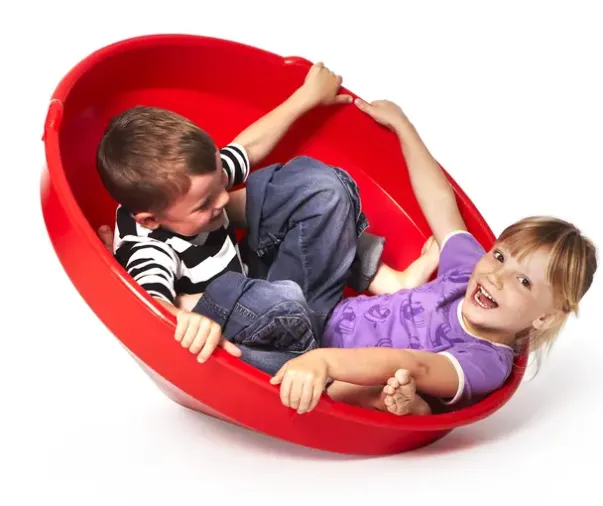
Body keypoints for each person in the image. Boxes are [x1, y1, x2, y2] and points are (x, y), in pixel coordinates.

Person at [95, 62, 440, 376]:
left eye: (220, 182)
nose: (222, 198)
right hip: (251, 334)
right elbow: (149, 303)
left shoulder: (193, 182)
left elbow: (247, 148)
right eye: (205, 203)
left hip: (273, 290)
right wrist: (183, 315)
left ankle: (370, 297)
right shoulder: (146, 245)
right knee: (265, 303)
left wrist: (307, 96)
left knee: (321, 189)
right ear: (150, 220)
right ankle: (326, 363)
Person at [268, 98, 598, 417]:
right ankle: (243, 220)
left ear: (545, 317)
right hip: (325, 306)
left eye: (523, 281)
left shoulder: (485, 362)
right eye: (499, 256)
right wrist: (403, 126)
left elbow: (415, 365)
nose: (496, 276)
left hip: (318, 364)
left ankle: (399, 404)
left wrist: (324, 361)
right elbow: (439, 201)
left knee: (364, 385)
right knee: (325, 194)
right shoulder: (469, 272)